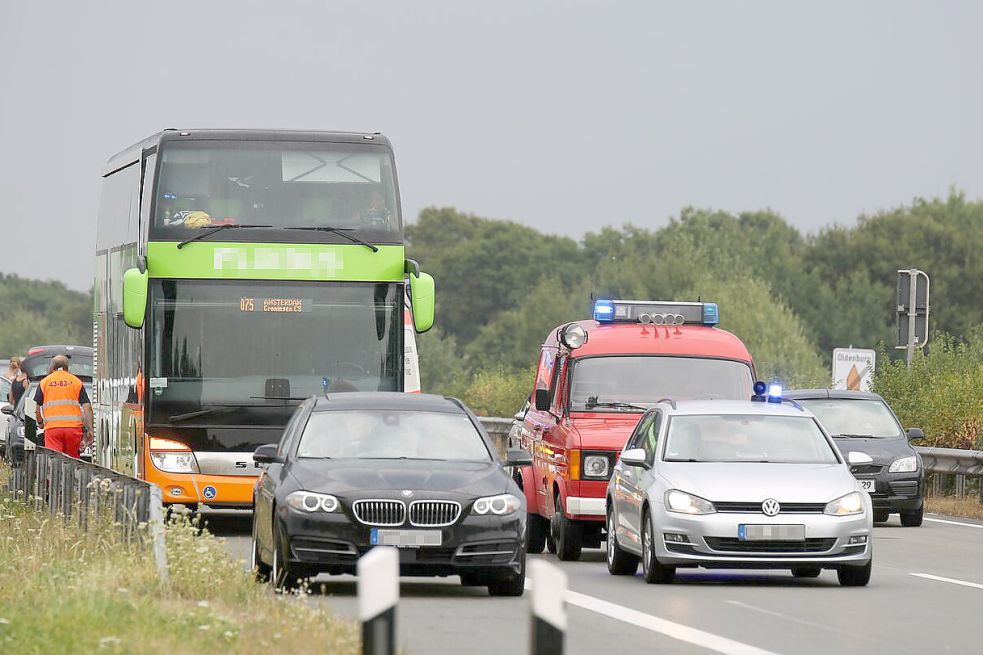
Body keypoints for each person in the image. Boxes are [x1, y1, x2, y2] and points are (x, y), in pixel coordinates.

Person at [34, 355, 93, 458]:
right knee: (72, 460)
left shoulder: (44, 382)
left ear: (52, 368)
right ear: (67, 368)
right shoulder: (76, 382)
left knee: (55, 460)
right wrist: (90, 429)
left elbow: (35, 406)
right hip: (73, 430)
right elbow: (87, 406)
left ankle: (56, 474)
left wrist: (40, 422)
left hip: (53, 429)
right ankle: (71, 474)